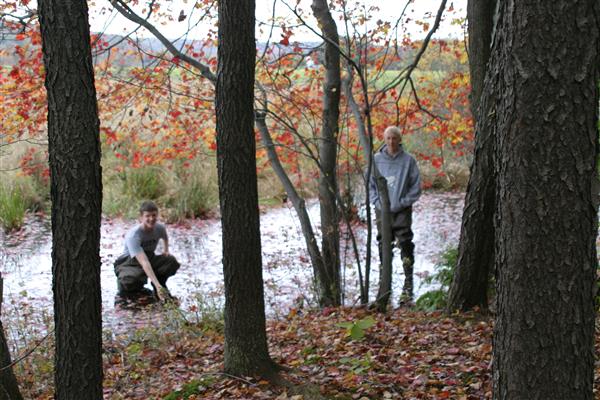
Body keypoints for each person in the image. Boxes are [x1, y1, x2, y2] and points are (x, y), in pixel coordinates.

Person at [369, 126, 421, 302]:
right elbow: (370, 186)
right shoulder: (376, 160)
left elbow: (416, 187)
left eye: (394, 138)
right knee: (384, 243)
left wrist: (402, 203)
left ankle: (408, 284)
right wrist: (378, 203)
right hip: (382, 211)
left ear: (400, 139)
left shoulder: (408, 161)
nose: (391, 141)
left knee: (405, 243)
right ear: (384, 139)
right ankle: (385, 284)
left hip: (402, 211)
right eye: (388, 138)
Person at [114, 201, 180, 302]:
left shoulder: (160, 228)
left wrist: (166, 250)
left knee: (171, 262)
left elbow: (165, 237)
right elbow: (144, 262)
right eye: (147, 216)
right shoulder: (134, 235)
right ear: (141, 217)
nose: (151, 219)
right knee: (129, 281)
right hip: (130, 261)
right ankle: (131, 285)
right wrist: (159, 288)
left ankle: (158, 280)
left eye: (154, 215)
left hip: (149, 256)